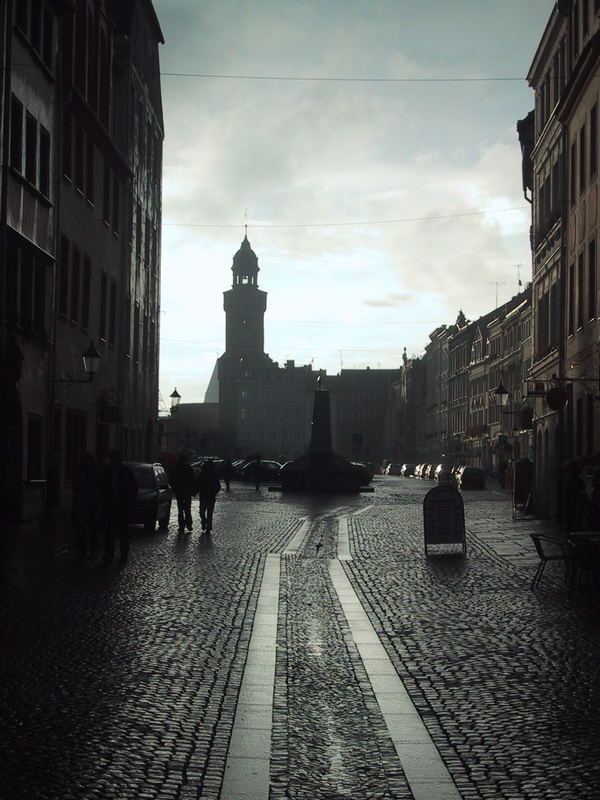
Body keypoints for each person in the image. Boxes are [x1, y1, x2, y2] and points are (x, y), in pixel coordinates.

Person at [99, 449, 138, 563]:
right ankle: (109, 553)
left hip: (122, 506)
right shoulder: (107, 472)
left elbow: (134, 487)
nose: (112, 460)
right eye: (111, 458)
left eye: (114, 458)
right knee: (109, 531)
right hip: (110, 505)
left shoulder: (126, 472)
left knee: (123, 531)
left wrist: (129, 500)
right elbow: (101, 488)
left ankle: (123, 553)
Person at [72, 453, 100, 554]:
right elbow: (75, 487)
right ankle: (84, 547)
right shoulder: (82, 474)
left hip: (91, 503)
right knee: (83, 527)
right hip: (83, 503)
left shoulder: (95, 474)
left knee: (91, 527)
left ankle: (90, 547)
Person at [170, 454, 196, 531]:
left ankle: (182, 525)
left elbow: (172, 480)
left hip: (180, 492)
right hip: (185, 491)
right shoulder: (188, 469)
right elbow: (193, 480)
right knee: (186, 509)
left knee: (181, 510)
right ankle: (188, 524)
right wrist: (193, 491)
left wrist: (175, 489)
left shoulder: (176, 469)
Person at [196, 460, 221, 534]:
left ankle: (208, 526)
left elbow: (217, 486)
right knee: (204, 513)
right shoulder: (203, 476)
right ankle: (205, 522)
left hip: (207, 497)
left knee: (206, 513)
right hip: (207, 496)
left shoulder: (209, 476)